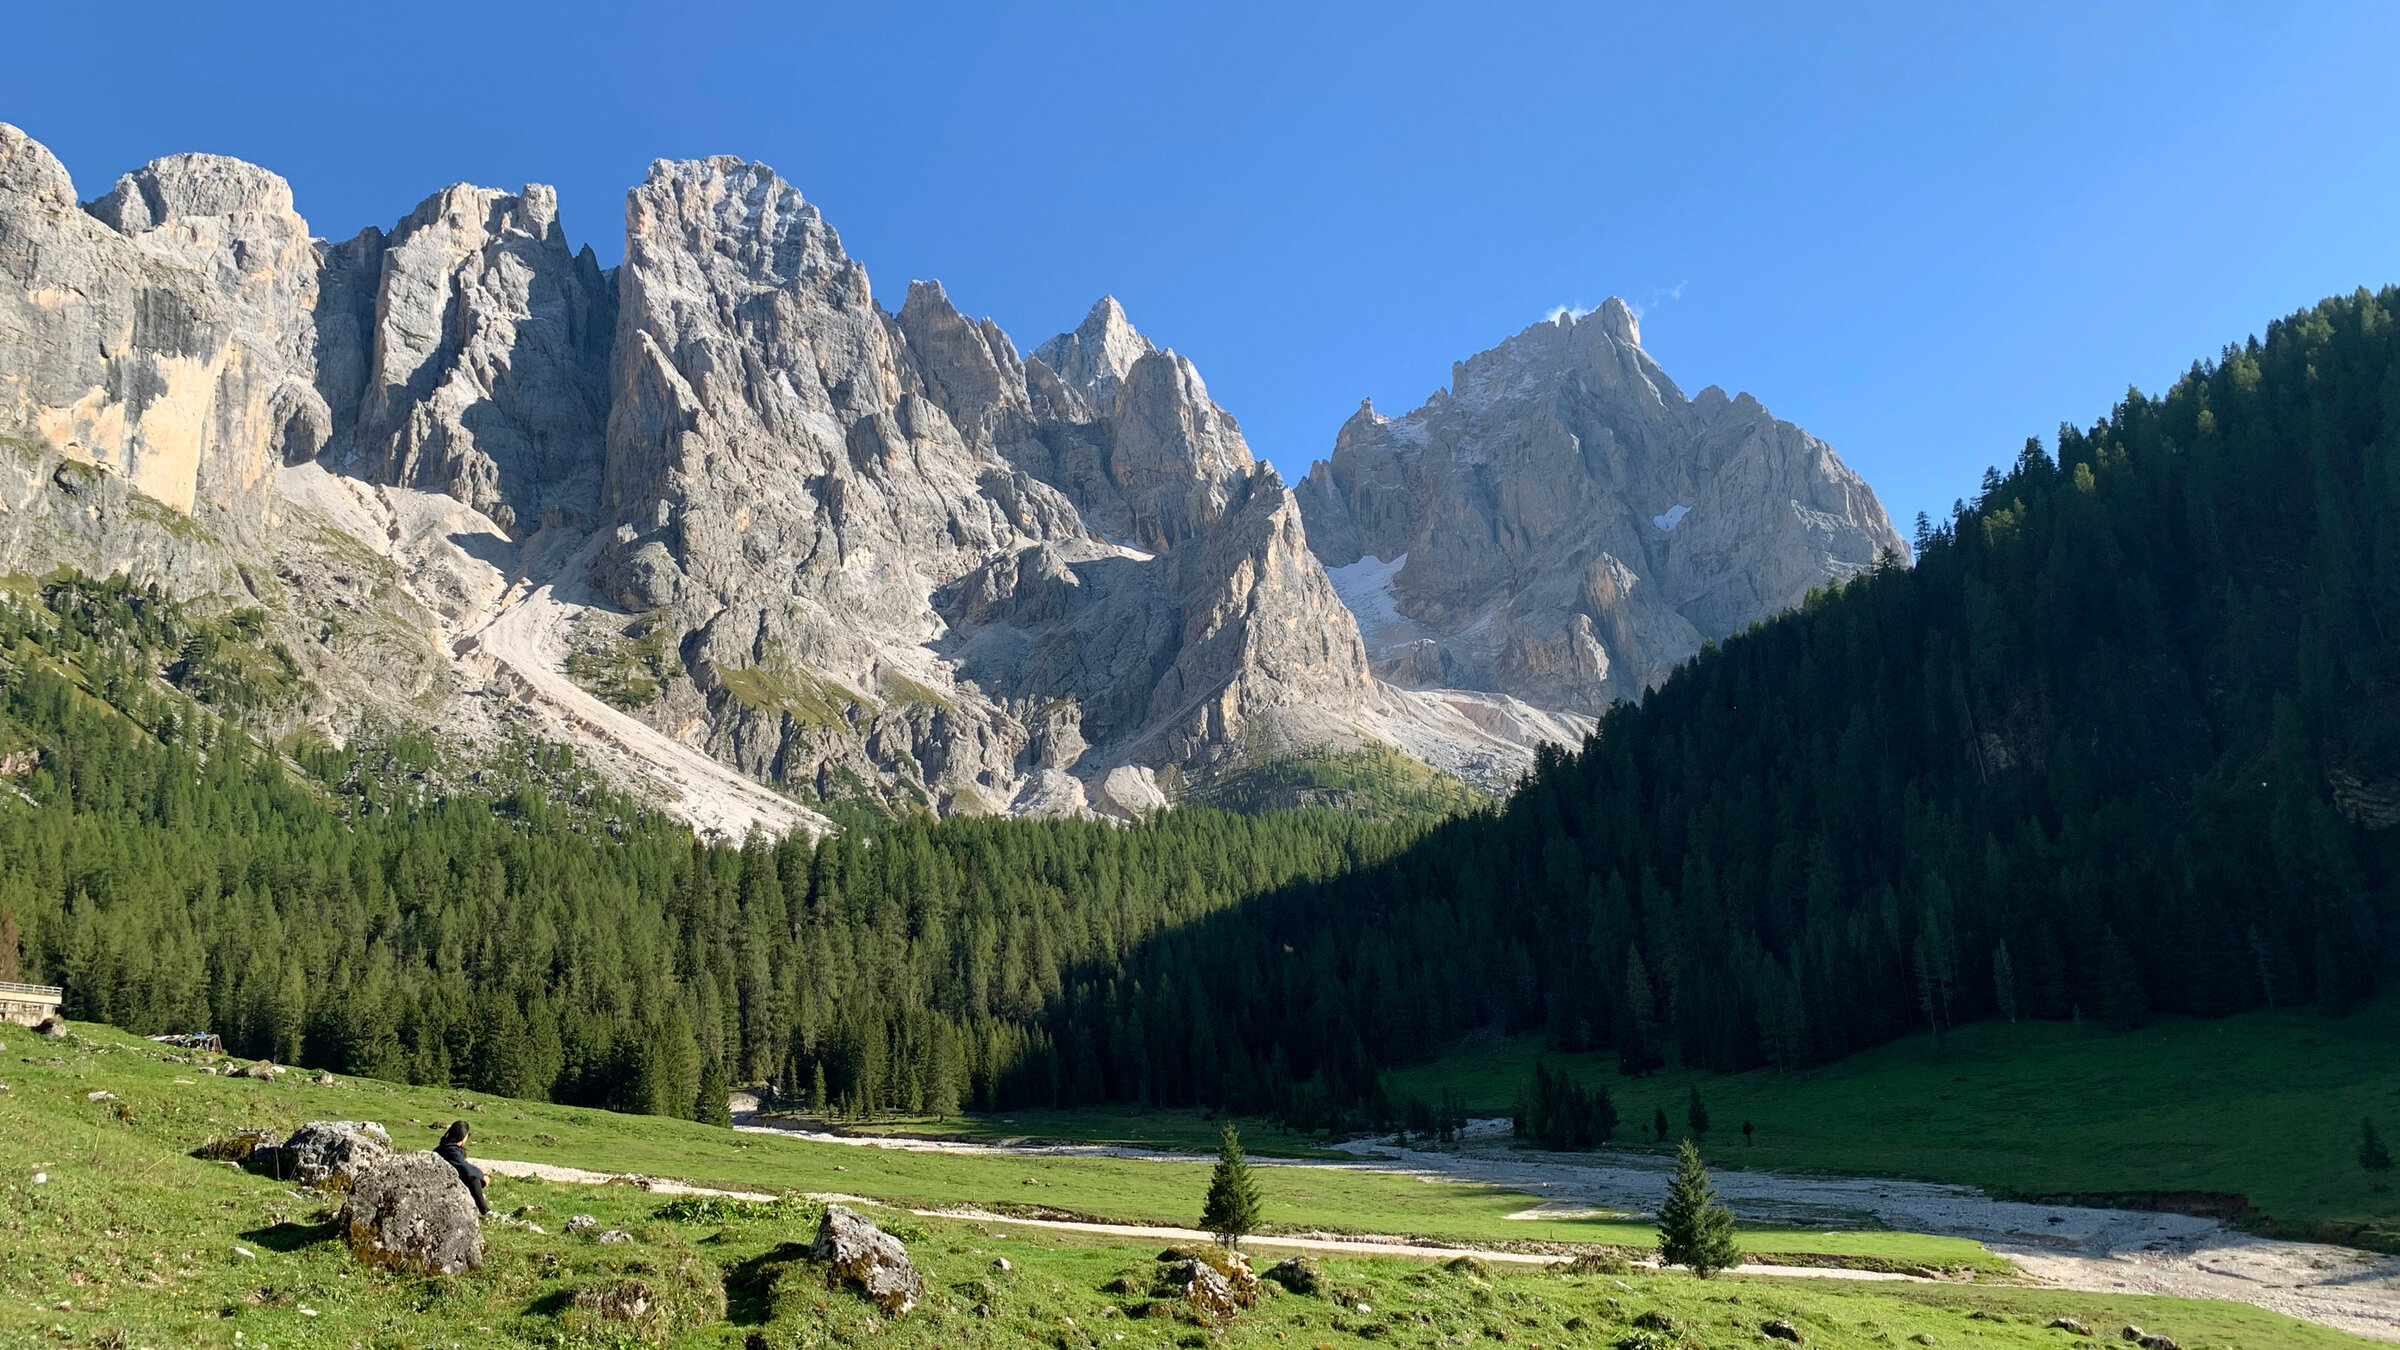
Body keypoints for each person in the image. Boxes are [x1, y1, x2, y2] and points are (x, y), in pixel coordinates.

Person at [434, 1120, 490, 1217]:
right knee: (473, 1180)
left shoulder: (444, 1148)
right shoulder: (451, 1150)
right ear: (463, 1136)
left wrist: (477, 1170)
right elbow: (466, 1169)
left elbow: (463, 1164)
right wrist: (482, 1176)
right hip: (444, 1181)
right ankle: (485, 1211)